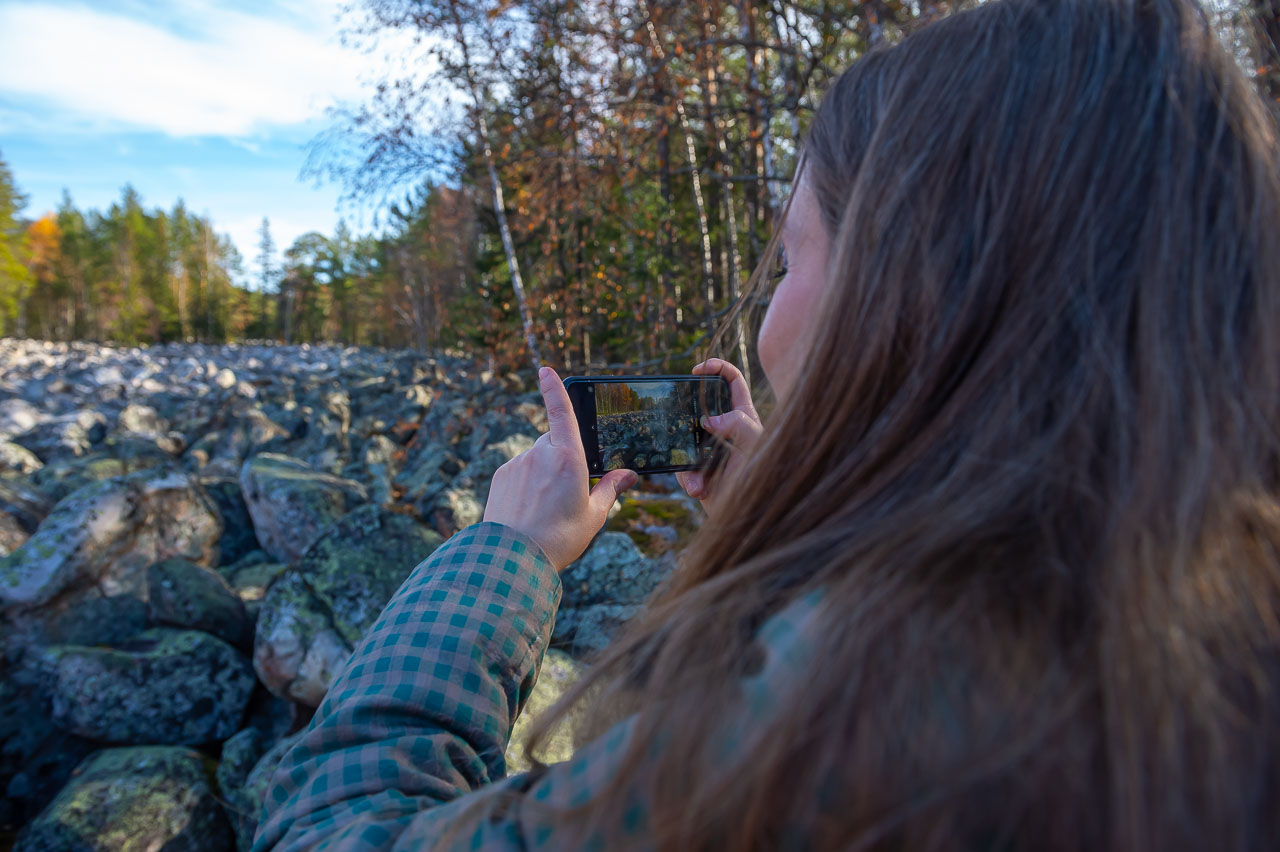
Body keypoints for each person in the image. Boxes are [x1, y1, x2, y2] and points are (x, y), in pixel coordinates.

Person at [252, 0, 1280, 848]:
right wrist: (787, 531)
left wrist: (500, 559)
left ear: (908, 293)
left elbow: (342, 826)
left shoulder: (853, 711)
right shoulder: (1220, 592)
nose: (768, 316)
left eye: (789, 260)